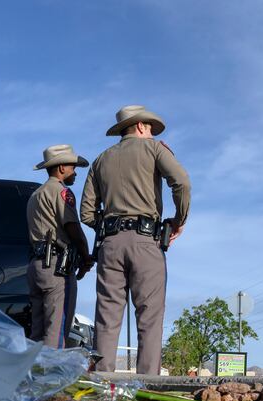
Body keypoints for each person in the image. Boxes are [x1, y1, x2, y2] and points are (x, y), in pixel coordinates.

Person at [80, 105, 191, 375]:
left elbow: (85, 212)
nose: (152, 131)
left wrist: (108, 227)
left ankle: (104, 386)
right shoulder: (154, 149)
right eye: (150, 126)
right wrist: (179, 220)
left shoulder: (100, 160)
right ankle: (146, 387)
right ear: (140, 126)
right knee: (149, 317)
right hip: (145, 242)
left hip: (110, 245)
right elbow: (182, 183)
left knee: (107, 316)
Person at [27, 145, 94, 348]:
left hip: (36, 266)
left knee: (37, 331)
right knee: (56, 332)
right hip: (57, 267)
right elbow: (73, 228)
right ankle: (51, 378)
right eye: (73, 168)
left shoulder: (35, 195)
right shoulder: (61, 192)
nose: (75, 173)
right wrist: (86, 257)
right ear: (62, 167)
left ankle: (34, 376)